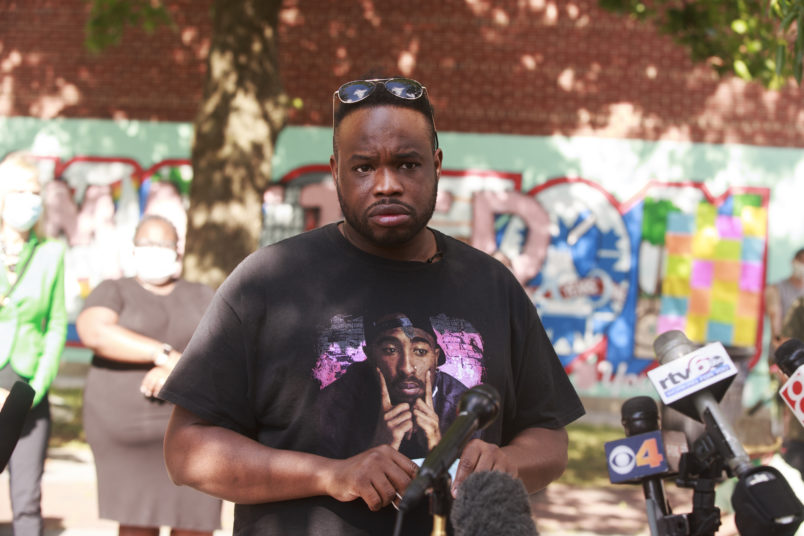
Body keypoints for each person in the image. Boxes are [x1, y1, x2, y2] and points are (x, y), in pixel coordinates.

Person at [160, 77, 585, 535]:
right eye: (364, 168)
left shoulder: (492, 286)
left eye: (407, 164)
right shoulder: (268, 281)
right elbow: (187, 452)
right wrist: (331, 475)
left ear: (436, 165)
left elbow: (549, 438)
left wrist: (508, 463)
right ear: (335, 169)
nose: (387, 185)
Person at [76, 214, 221, 536]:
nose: (155, 250)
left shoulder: (201, 293)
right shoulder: (113, 289)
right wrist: (164, 356)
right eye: (147, 244)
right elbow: (96, 333)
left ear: (178, 252)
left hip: (193, 430)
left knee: (196, 520)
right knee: (137, 519)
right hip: (128, 434)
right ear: (133, 250)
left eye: (164, 244)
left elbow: (223, 349)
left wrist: (177, 371)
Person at [0, 153, 67, 536]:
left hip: (27, 388)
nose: (29, 198)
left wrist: (34, 390)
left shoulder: (51, 253)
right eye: (19, 190)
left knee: (27, 499)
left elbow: (56, 326)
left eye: (35, 191)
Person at [319, 311, 469, 460]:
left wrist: (437, 449)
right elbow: (321, 477)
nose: (407, 368)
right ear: (370, 357)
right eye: (390, 350)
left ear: (435, 358)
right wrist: (378, 450)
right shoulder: (337, 400)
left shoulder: (463, 405)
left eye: (420, 351)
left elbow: (472, 481)